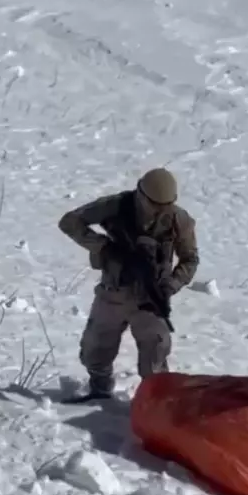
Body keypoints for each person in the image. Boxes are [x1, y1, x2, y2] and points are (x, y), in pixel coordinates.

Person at [57, 167, 200, 402]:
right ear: (141, 195)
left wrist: (171, 285)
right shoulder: (115, 206)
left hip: (150, 299)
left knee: (155, 357)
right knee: (95, 350)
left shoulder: (178, 220)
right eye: (156, 205)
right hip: (113, 291)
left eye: (167, 206)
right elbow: (69, 221)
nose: (161, 211)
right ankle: (99, 390)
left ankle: (152, 405)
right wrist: (103, 247)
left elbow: (190, 259)